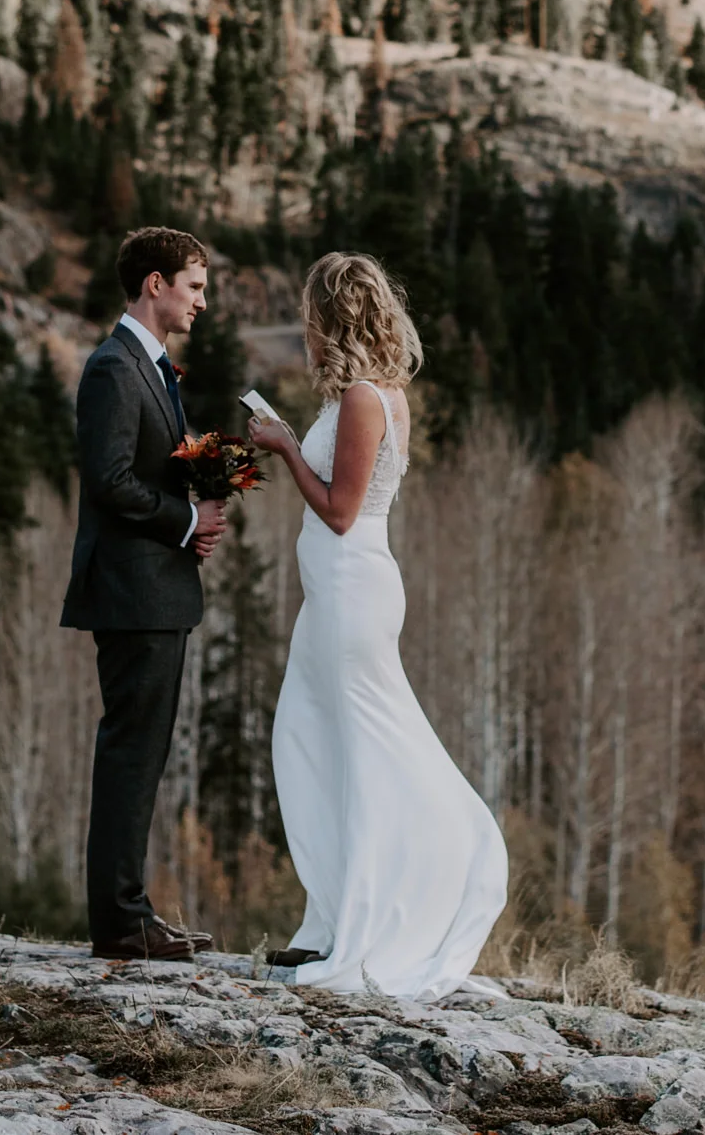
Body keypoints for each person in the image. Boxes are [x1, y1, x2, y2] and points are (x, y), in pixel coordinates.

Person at [247, 251, 508, 998]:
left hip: (352, 593)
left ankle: (410, 888)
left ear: (331, 319)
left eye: (309, 317)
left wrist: (285, 446)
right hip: (338, 596)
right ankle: (328, 919)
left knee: (360, 754)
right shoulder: (369, 392)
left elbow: (339, 511)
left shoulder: (365, 398)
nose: (305, 331)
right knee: (312, 742)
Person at [61, 226, 227, 961]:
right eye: (193, 287)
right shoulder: (112, 368)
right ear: (153, 284)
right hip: (132, 592)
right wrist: (189, 516)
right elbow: (108, 481)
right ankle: (122, 923)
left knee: (143, 753)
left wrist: (208, 479)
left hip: (154, 591)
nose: (201, 302)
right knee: (131, 753)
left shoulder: (152, 368)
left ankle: (131, 913)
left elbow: (147, 469)